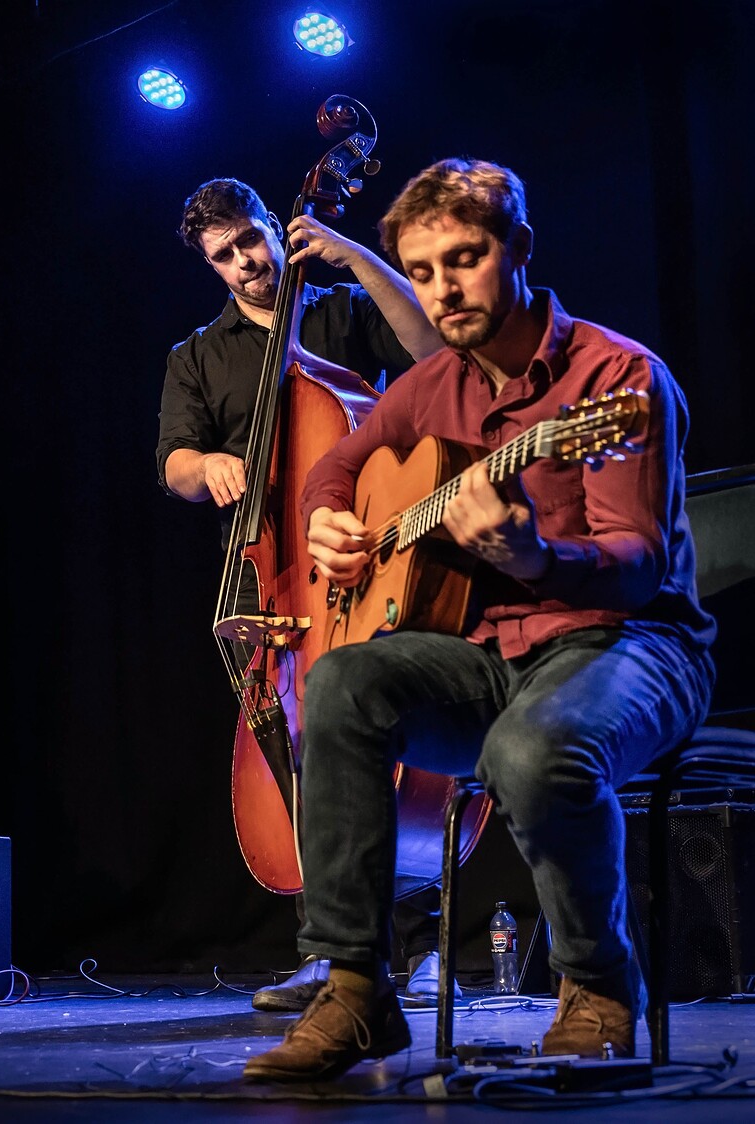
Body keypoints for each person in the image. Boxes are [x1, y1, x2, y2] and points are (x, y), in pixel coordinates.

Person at [243, 158, 714, 1081]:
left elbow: (636, 568)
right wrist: (327, 520)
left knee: (531, 752)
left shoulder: (615, 378)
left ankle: (599, 986)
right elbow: (334, 465)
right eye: (420, 272)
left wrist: (536, 558)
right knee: (337, 681)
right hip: (491, 655)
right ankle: (354, 989)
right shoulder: (432, 385)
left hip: (633, 645)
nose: (442, 290)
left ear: (519, 249)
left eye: (464, 259)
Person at [155, 176, 452, 1011]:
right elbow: (172, 463)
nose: (247, 262)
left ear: (269, 226)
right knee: (293, 746)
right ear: (209, 266)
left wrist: (354, 255)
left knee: (390, 731)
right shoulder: (195, 357)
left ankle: (425, 943)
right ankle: (332, 951)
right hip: (270, 579)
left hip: (361, 556)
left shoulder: (339, 311)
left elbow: (430, 354)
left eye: (250, 239)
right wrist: (204, 466)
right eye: (226, 256)